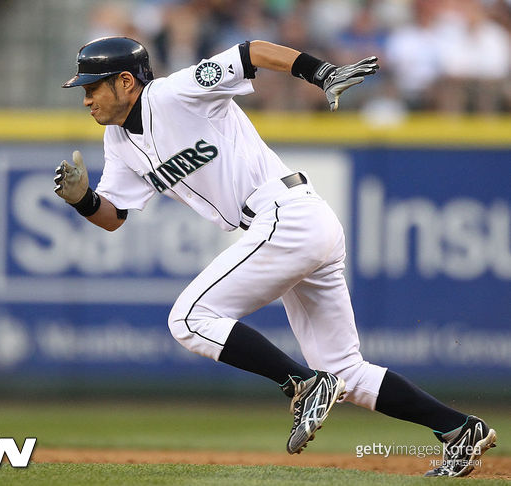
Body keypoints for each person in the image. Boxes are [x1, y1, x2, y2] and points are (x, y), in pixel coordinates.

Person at [53, 36, 497, 477]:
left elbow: (250, 53)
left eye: (93, 87)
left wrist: (320, 71)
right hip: (293, 225)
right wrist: (82, 200)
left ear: (126, 82)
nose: (86, 98)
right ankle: (459, 429)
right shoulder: (118, 141)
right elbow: (115, 216)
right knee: (345, 370)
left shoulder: (174, 93)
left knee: (188, 318)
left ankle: (302, 383)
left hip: (286, 214)